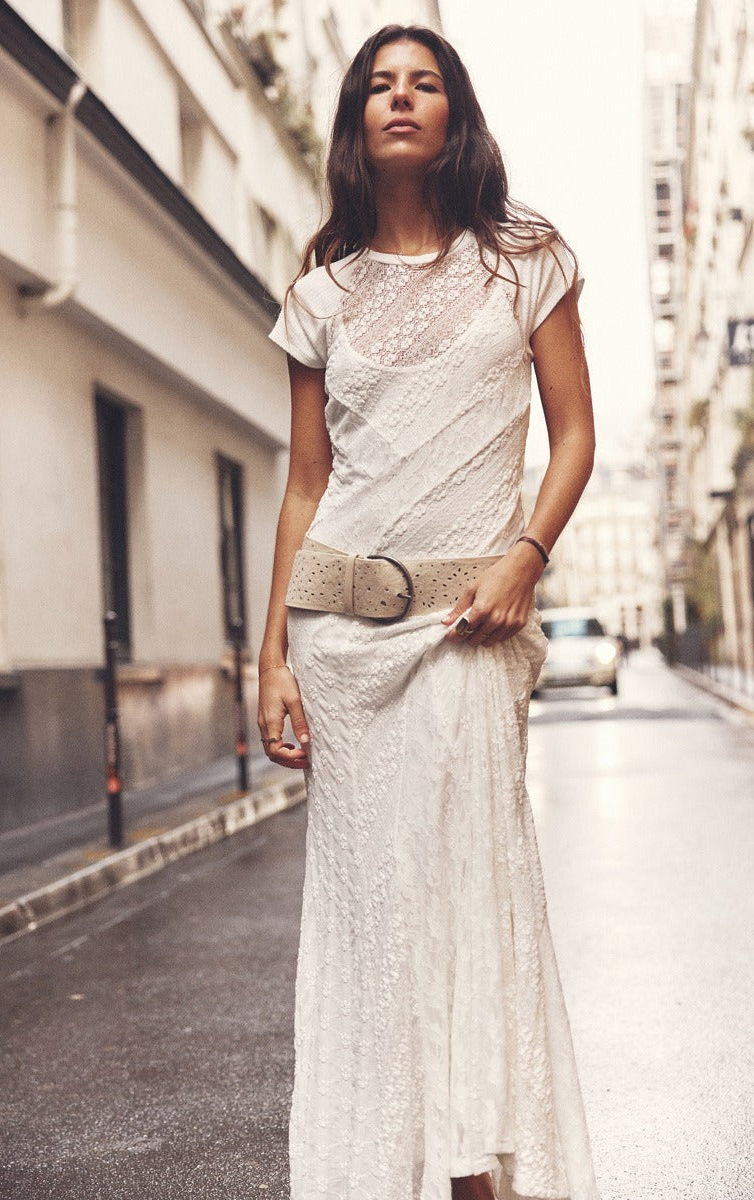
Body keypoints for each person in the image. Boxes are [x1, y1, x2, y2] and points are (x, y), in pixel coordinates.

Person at [258, 23, 600, 1200]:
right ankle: (390, 1168)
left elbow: (574, 437)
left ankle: (474, 1170)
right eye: (378, 86)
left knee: (467, 894)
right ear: (355, 120)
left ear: (455, 113)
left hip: (471, 629)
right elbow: (305, 486)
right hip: (340, 641)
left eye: (423, 83)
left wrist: (524, 557)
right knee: (377, 922)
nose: (399, 98)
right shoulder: (316, 296)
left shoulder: (525, 262)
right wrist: (270, 661)